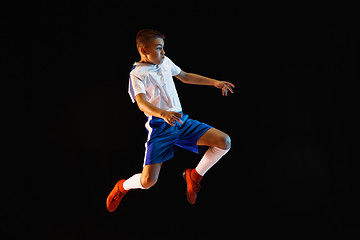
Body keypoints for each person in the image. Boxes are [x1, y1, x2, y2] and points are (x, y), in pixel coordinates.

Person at [106, 29, 235, 212]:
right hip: (160, 127)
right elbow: (142, 103)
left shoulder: (165, 62)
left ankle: (195, 176)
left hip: (181, 121)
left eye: (163, 48)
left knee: (224, 141)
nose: (163, 52)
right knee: (148, 181)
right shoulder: (136, 75)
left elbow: (185, 76)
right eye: (159, 48)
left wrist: (214, 82)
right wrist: (162, 114)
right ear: (144, 50)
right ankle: (122, 186)